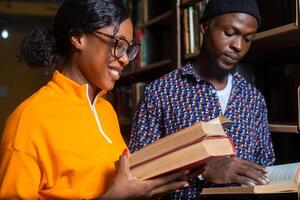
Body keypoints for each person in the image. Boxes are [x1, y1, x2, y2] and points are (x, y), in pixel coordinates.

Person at [0, 0, 191, 199]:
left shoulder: (106, 110)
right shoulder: (28, 121)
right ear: (78, 37)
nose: (125, 59)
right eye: (118, 44)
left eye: (129, 49)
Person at [129, 0, 275, 199]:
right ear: (204, 27)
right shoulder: (161, 92)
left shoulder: (254, 100)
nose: (238, 46)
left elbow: (265, 165)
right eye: (229, 33)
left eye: (248, 39)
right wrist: (201, 170)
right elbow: (137, 175)